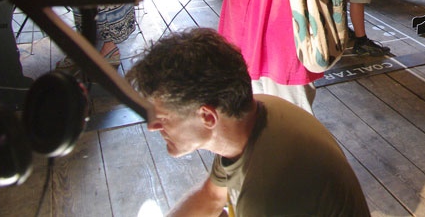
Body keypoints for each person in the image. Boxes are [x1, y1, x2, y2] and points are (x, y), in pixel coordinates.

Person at [126, 28, 370, 217]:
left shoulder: (266, 192)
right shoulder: (251, 117)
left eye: (164, 118)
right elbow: (211, 196)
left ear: (207, 117)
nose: (153, 127)